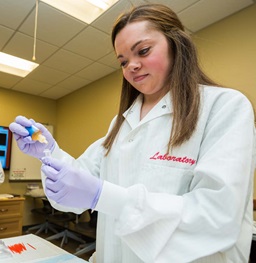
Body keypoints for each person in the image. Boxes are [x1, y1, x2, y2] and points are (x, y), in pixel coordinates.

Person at [9, 3, 256, 263]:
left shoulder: (224, 107)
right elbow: (74, 195)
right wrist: (49, 152)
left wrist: (104, 196)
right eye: (123, 61)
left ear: (176, 45)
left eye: (144, 51)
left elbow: (216, 217)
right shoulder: (121, 123)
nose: (132, 66)